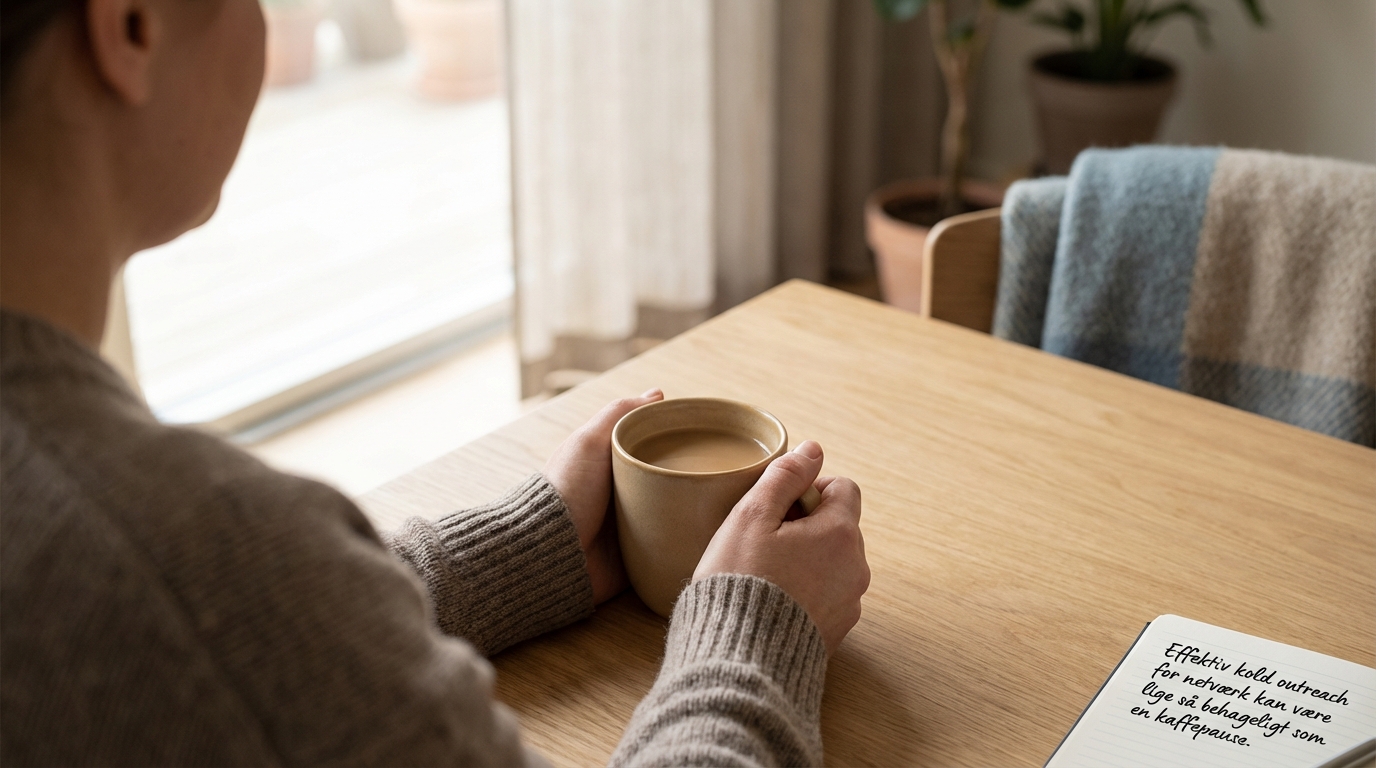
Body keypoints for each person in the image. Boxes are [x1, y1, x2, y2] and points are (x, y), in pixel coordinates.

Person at [0, 0, 871, 762]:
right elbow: (199, 615)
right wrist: (755, 635)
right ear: (132, 25)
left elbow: (228, 659)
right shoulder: (181, 556)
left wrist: (514, 559)